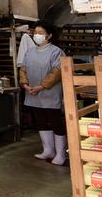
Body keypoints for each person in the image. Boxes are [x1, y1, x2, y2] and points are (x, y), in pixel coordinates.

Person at [19, 22, 67, 165]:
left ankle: (61, 154)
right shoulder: (30, 52)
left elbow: (56, 73)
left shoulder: (56, 52)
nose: (37, 35)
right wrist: (25, 85)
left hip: (50, 94)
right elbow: (23, 69)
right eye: (36, 33)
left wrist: (41, 87)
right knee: (40, 121)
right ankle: (48, 150)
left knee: (55, 122)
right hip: (32, 93)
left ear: (49, 35)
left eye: (40, 33)